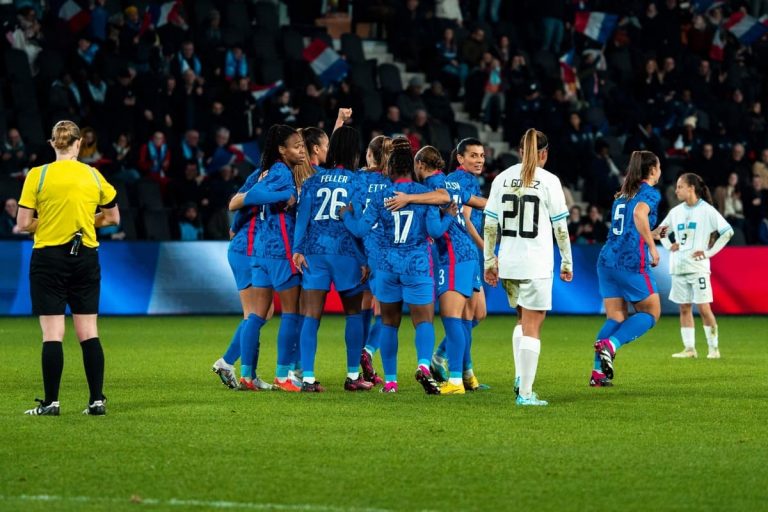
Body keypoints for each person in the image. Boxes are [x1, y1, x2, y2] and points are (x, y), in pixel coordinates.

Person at [16, 120, 119, 416]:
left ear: (53, 144)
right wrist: (86, 221)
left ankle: (51, 403)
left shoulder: (38, 175)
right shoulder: (93, 175)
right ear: (79, 144)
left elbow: (23, 224)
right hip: (84, 257)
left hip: (48, 259)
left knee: (52, 334)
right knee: (89, 332)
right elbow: (113, 218)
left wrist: (46, 224)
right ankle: (96, 400)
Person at [340, 145, 454, 393]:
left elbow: (360, 230)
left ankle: (391, 382)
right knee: (423, 321)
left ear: (390, 168)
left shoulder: (382, 196)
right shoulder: (425, 195)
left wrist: (346, 215)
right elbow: (435, 231)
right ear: (412, 169)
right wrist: (449, 216)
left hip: (387, 266)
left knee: (389, 323)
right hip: (417, 265)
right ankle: (423, 366)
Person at [385, 145, 487, 395]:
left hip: (452, 255)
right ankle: (466, 376)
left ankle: (453, 380)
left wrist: (409, 198)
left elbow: (434, 225)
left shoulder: (435, 186)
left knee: (453, 320)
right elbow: (478, 202)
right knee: (465, 319)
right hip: (468, 254)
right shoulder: (455, 184)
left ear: (419, 165)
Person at [483, 129, 573, 406]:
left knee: (522, 321)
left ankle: (521, 377)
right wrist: (567, 261)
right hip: (536, 264)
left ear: (520, 150)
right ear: (544, 153)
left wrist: (489, 260)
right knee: (534, 326)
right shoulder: (549, 181)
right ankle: (525, 393)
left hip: (509, 262)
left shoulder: (501, 178)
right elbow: (560, 226)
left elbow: (489, 224)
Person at [292, 125, 371, 393]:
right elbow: (358, 222)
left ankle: (308, 379)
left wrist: (297, 249)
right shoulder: (357, 181)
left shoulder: (313, 180)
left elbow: (302, 218)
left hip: (314, 252)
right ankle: (352, 377)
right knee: (353, 314)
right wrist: (364, 259)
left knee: (311, 316)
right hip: (346, 252)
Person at [227, 125, 305, 392]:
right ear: (281, 150)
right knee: (292, 313)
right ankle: (283, 376)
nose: (301, 150)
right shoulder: (282, 171)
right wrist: (286, 195)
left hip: (259, 252)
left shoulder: (268, 170)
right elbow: (255, 195)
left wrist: (237, 224)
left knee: (257, 316)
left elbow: (245, 200)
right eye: (296, 146)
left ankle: (247, 376)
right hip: (280, 251)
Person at [590, 150, 664, 388]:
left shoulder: (622, 193)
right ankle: (611, 346)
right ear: (652, 170)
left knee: (616, 316)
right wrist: (652, 247)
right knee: (651, 312)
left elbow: (625, 228)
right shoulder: (649, 193)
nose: (660, 171)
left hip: (607, 260)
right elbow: (639, 214)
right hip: (630, 261)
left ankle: (597, 374)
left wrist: (650, 234)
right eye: (659, 167)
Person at [658, 173, 734, 359]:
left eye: (680, 187)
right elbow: (661, 232)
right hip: (678, 267)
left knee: (704, 309)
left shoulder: (707, 211)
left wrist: (708, 253)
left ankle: (713, 349)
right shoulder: (675, 212)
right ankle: (690, 349)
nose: (676, 191)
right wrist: (669, 246)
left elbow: (727, 232)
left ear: (691, 188)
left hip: (698, 268)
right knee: (684, 308)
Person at [433, 138, 488, 391]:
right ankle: (462, 372)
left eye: (482, 155)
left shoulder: (468, 181)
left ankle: (456, 366)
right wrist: (485, 248)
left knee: (477, 314)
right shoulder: (461, 180)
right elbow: (465, 220)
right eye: (473, 155)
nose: (479, 160)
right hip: (463, 254)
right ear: (460, 159)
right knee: (467, 315)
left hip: (466, 255)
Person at [356, 135, 394, 386]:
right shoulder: (392, 182)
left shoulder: (357, 179)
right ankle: (368, 351)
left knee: (362, 308)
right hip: (384, 252)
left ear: (369, 155)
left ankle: (357, 367)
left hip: (358, 249)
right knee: (386, 311)